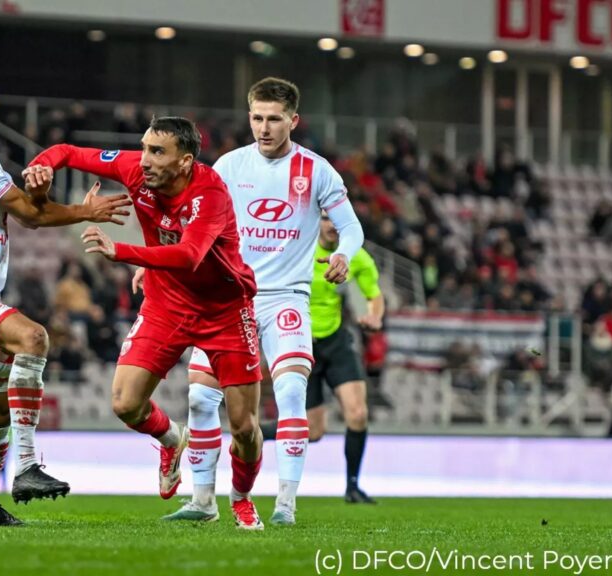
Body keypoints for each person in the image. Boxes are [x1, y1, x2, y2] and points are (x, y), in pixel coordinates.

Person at [27, 117, 267, 529]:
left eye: (158, 152)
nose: (146, 161)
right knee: (125, 403)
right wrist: (41, 166)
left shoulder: (210, 194)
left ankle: (241, 498)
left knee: (244, 427)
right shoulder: (135, 170)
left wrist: (123, 251)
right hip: (167, 303)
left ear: (186, 161)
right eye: (144, 148)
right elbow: (67, 151)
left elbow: (191, 255)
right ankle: (173, 439)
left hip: (224, 309)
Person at [0, 77, 131, 526]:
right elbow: (33, 216)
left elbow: (29, 209)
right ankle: (28, 465)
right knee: (33, 338)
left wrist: (36, 189)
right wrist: (85, 211)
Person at [159, 77, 364, 526]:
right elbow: (193, 220)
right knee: (198, 399)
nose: (264, 128)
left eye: (274, 119)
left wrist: (344, 255)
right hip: (228, 300)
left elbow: (351, 227)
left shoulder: (316, 170)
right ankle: (203, 501)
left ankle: (286, 504)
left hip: (286, 298)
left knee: (291, 390)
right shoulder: (229, 167)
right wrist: (159, 259)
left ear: (293, 120)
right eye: (257, 118)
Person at [262, 212, 383, 504]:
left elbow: (374, 295)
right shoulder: (296, 248)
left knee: (358, 414)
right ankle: (250, 430)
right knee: (313, 432)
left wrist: (375, 316)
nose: (331, 225)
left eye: (336, 220)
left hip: (336, 340)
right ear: (316, 221)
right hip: (299, 341)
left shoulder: (356, 257)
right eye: (326, 218)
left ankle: (353, 487)